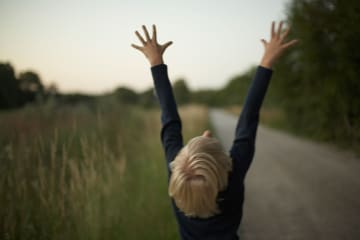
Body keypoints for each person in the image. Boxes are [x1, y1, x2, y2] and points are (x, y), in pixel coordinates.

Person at [131, 22, 298, 240]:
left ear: (178, 164)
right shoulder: (229, 175)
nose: (207, 133)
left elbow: (170, 120)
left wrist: (155, 62)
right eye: (210, 141)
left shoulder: (179, 180)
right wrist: (156, 61)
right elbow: (247, 118)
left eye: (200, 139)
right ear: (225, 166)